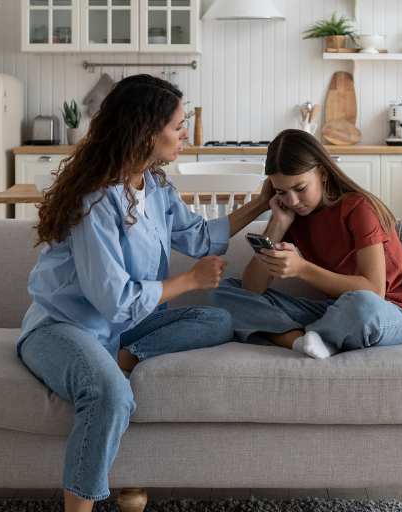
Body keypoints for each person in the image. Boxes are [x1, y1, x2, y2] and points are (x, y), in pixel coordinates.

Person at [16, 74, 271, 511]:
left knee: (219, 319)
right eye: (177, 124)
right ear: (146, 131)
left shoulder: (154, 189)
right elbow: (113, 299)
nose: (185, 132)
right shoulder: (94, 200)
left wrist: (261, 203)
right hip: (65, 329)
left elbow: (198, 237)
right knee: (112, 396)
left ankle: (123, 358)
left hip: (125, 328)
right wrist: (189, 281)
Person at [213, 128, 402, 359]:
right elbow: (251, 289)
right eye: (281, 192)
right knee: (225, 292)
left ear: (322, 173)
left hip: (391, 313)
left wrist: (302, 268)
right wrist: (278, 224)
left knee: (361, 304)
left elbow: (374, 291)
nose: (292, 201)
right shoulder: (293, 214)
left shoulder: (358, 208)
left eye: (300, 188)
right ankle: (301, 341)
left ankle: (316, 335)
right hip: (335, 311)